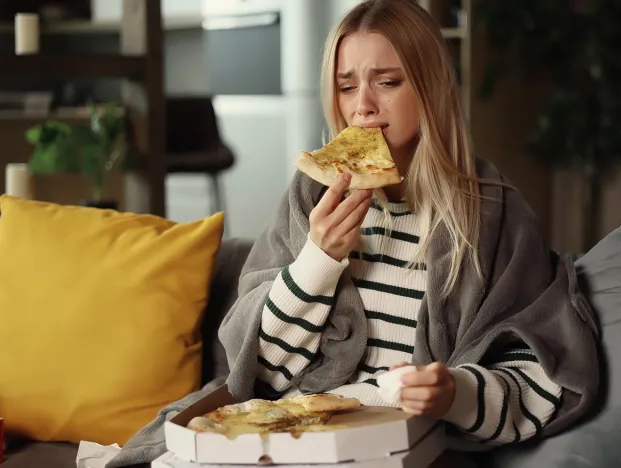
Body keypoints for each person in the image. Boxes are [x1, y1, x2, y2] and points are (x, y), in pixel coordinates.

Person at [218, 0, 599, 459]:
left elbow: (540, 374)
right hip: (287, 441)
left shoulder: (495, 213)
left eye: (388, 82)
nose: (362, 107)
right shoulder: (310, 196)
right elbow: (258, 376)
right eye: (345, 87)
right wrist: (316, 262)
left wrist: (454, 394)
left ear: (432, 88)